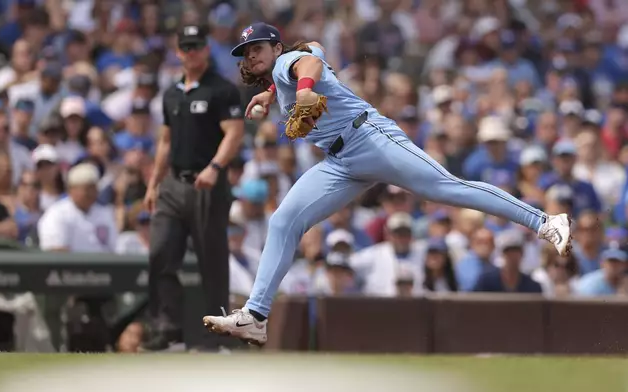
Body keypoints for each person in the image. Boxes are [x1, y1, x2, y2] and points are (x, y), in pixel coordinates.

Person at [197, 23, 572, 346]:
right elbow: (312, 51)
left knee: (446, 187)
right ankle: (256, 316)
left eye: (257, 48)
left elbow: (306, 63)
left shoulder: (287, 64)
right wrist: (274, 92)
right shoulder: (289, 65)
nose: (250, 57)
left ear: (276, 48)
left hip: (370, 138)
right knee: (283, 221)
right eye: (245, 53)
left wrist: (305, 87)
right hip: (340, 161)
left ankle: (544, 221)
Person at [140, 24, 245, 352]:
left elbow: (235, 133)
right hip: (174, 184)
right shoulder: (171, 93)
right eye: (186, 46)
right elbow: (165, 141)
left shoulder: (222, 90)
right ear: (178, 51)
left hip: (207, 186)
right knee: (160, 253)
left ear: (206, 49)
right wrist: (153, 183)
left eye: (197, 46)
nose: (191, 52)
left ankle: (217, 335)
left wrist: (215, 168)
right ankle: (167, 328)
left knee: (211, 262)